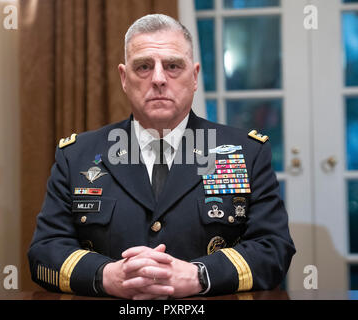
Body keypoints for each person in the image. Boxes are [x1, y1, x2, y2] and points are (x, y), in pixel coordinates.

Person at [28, 14, 295, 299]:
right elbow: (44, 251)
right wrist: (105, 276)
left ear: (194, 77)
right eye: (143, 66)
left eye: (172, 66)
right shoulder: (77, 155)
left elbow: (274, 249)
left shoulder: (245, 152)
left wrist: (199, 275)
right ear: (124, 78)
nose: (158, 79)